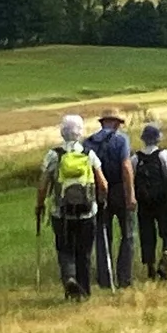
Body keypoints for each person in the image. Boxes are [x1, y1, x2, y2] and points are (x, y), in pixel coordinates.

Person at [35, 113, 109, 299]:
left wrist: (40, 205)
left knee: (65, 249)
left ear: (62, 131)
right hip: (87, 212)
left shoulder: (54, 155)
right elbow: (103, 184)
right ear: (80, 132)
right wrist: (101, 201)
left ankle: (69, 277)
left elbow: (43, 185)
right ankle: (84, 291)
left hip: (61, 213)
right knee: (84, 252)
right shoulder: (88, 154)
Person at [132, 122, 167, 281]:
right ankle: (165, 258)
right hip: (163, 199)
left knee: (147, 232)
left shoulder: (135, 158)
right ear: (158, 138)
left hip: (144, 201)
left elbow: (132, 179)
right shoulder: (164, 155)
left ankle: (150, 267)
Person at [86, 110, 136, 290]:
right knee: (128, 234)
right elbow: (126, 167)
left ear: (102, 123)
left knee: (103, 235)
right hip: (119, 189)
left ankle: (105, 278)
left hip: (98, 190)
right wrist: (130, 194)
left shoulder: (89, 142)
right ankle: (124, 277)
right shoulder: (121, 140)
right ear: (115, 123)